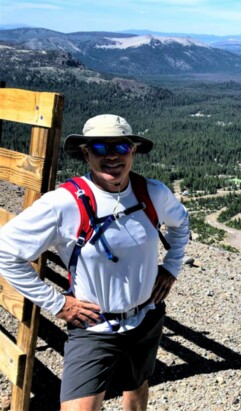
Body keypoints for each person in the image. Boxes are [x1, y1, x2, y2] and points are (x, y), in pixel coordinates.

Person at [0, 114, 190, 410]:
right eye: (101, 148)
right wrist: (58, 304)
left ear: (133, 151)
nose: (112, 156)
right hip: (94, 326)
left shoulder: (153, 193)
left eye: (121, 147)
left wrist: (172, 267)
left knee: (137, 391)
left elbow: (181, 224)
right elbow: (4, 251)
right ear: (86, 153)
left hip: (146, 317)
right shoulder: (63, 204)